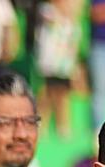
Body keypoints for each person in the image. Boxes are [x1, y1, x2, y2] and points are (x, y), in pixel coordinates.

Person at [35, 0, 81, 138]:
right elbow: (50, 21)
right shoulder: (47, 10)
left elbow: (75, 42)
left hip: (65, 63)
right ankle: (41, 123)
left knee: (63, 93)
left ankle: (63, 126)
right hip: (50, 61)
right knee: (46, 93)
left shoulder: (73, 21)